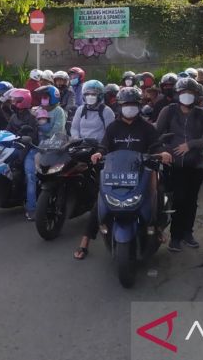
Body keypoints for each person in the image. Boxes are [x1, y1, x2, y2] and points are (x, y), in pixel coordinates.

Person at [73, 87, 172, 260]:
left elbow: (156, 145)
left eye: (133, 104)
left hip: (142, 172)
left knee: (159, 194)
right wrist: (99, 154)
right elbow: (104, 146)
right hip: (116, 173)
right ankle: (85, 241)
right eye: (126, 104)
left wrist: (162, 153)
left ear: (139, 106)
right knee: (99, 203)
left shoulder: (147, 127)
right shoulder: (113, 127)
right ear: (119, 106)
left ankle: (157, 228)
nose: (129, 107)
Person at [155, 78, 203, 252]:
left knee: (191, 200)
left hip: (196, 164)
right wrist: (165, 150)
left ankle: (188, 233)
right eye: (183, 93)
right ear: (177, 94)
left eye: (191, 93)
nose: (187, 96)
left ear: (196, 96)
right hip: (174, 164)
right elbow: (157, 134)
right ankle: (175, 236)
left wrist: (191, 145)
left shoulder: (202, 114)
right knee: (178, 199)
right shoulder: (169, 111)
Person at [5, 89, 39, 221]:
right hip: (16, 147)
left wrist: (22, 156)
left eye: (15, 100)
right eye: (12, 100)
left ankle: (32, 208)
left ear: (22, 101)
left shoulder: (32, 117)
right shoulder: (14, 116)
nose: (13, 102)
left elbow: (32, 139)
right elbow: (7, 131)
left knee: (30, 176)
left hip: (30, 149)